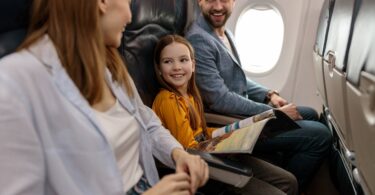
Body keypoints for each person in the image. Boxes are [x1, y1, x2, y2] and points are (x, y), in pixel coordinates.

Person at [0, 0, 209, 194]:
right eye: (128, 2)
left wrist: (178, 153)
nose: (130, 17)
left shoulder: (110, 64)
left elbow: (147, 121)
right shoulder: (15, 81)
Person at [185, 0, 332, 191]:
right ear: (200, 1)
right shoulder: (199, 39)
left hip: (240, 114)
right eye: (211, 0)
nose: (218, 6)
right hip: (227, 125)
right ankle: (287, 187)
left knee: (310, 113)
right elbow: (219, 99)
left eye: (224, 0)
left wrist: (269, 95)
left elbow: (236, 78)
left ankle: (282, 174)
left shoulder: (223, 32)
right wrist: (273, 113)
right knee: (320, 136)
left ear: (234, 2)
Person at [152, 34, 298, 195]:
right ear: (159, 69)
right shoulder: (168, 100)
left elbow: (201, 133)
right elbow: (189, 149)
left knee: (289, 181)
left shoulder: (191, 96)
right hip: (205, 168)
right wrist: (223, 145)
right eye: (168, 62)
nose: (177, 67)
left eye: (183, 60)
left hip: (211, 154)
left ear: (193, 65)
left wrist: (231, 133)